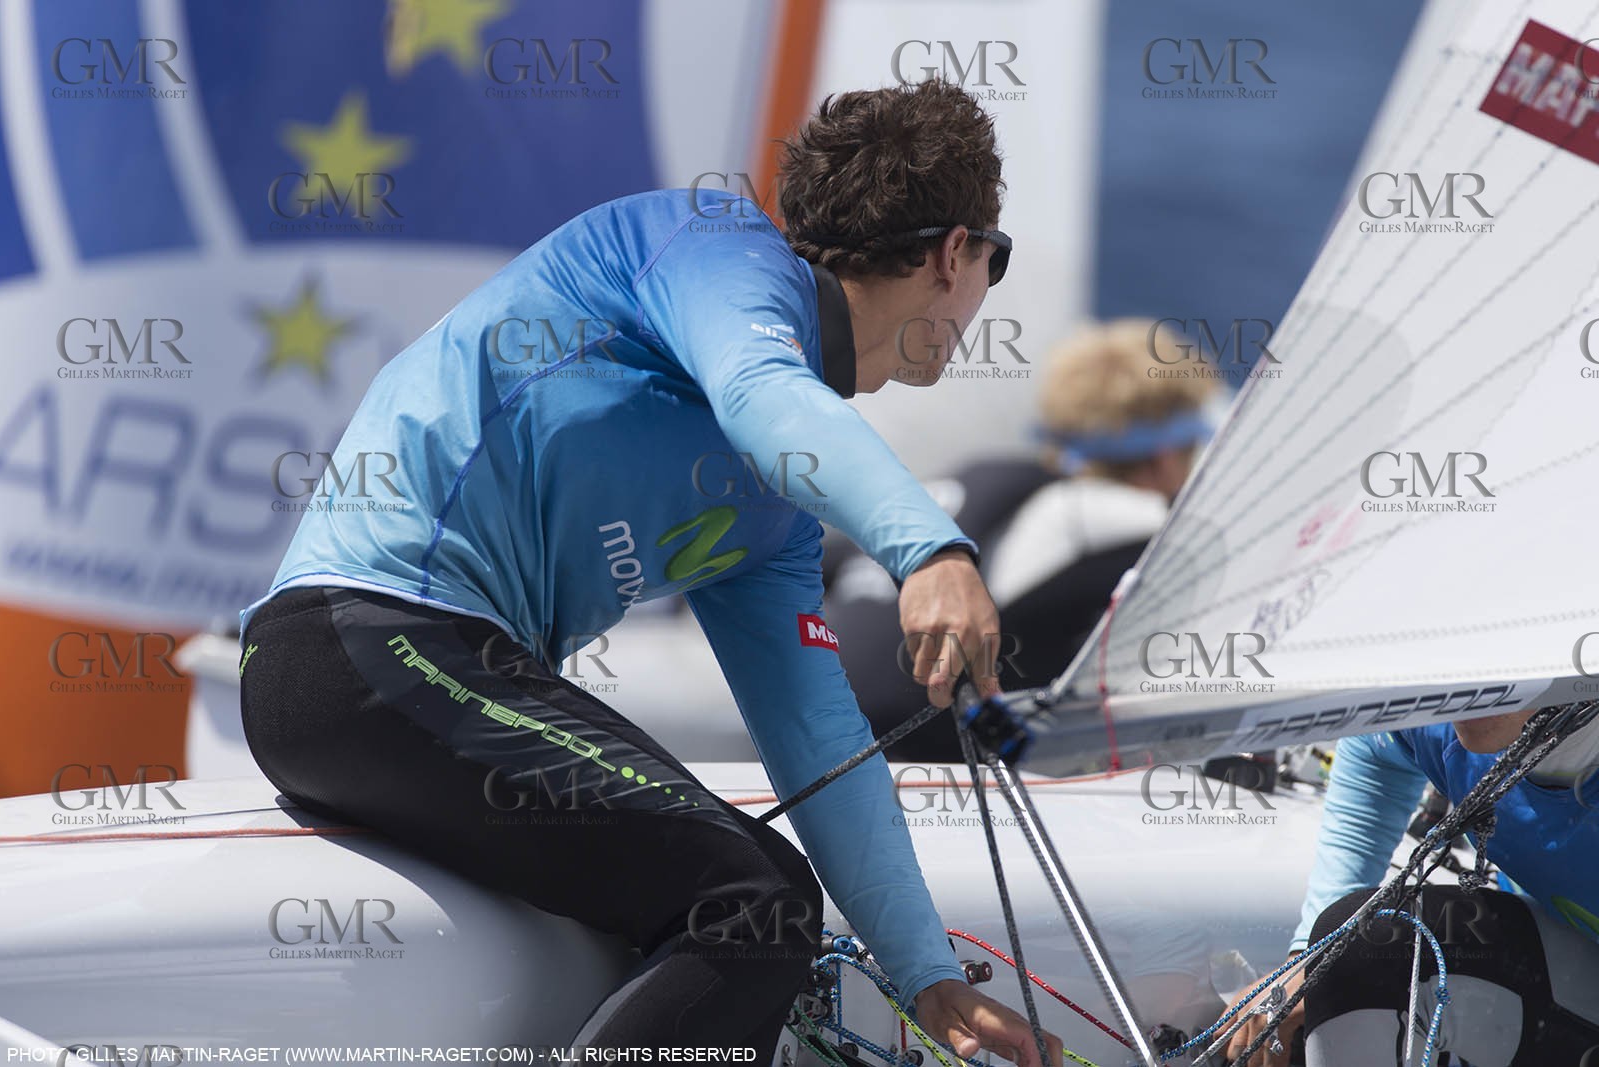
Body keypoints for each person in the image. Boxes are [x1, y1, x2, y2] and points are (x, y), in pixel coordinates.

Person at [236, 79, 1063, 1065]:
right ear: (952, 253)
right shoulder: (709, 247)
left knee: (760, 901)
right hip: (366, 647)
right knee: (754, 906)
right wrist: (928, 548)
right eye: (994, 261)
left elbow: (816, 736)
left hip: (392, 679)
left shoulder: (773, 505)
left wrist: (926, 973)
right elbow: (762, 391)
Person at [825, 318, 1218, 760]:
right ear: (1167, 456)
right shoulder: (1120, 520)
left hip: (806, 715)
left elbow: (833, 562)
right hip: (907, 747)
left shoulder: (979, 475)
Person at [1223, 709, 1599, 1066]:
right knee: (1354, 953)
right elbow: (1376, 749)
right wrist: (1307, 965)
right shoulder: (1454, 711)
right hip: (1568, 966)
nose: (1464, 682)